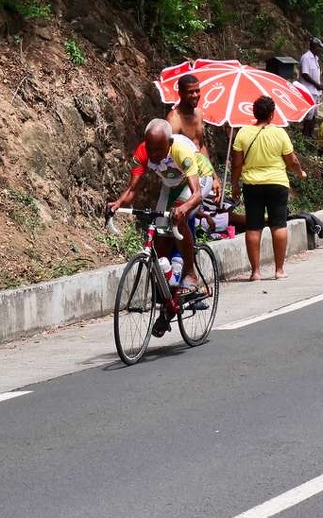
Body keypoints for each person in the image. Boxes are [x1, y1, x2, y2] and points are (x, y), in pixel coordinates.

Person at [108, 120, 214, 333]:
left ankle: (190, 273)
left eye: (159, 149)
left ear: (169, 142)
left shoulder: (181, 150)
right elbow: (133, 188)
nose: (154, 154)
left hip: (199, 180)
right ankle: (169, 305)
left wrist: (184, 209)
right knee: (160, 239)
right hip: (172, 184)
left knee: (177, 215)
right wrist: (117, 204)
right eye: (150, 148)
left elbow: (195, 195)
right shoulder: (143, 152)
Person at [231, 96, 306, 281]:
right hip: (277, 183)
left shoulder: (243, 133)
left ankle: (255, 272)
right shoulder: (280, 133)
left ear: (254, 113)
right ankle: (279, 270)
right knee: (278, 225)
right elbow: (292, 161)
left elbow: (237, 164)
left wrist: (234, 184)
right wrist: (300, 173)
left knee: (253, 227)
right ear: (272, 114)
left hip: (252, 184)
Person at [166, 73, 222, 204]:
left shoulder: (198, 113)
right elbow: (168, 156)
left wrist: (214, 177)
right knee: (181, 215)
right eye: (190, 92)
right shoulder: (174, 119)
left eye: (197, 90)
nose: (196, 95)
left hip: (202, 172)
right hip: (184, 177)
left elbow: (200, 147)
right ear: (180, 93)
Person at [298, 36, 323, 137]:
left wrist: (318, 85)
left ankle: (310, 134)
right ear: (314, 47)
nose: (320, 50)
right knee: (308, 115)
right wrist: (317, 84)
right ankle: (305, 135)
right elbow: (305, 74)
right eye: (319, 47)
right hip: (308, 90)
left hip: (315, 91)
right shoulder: (306, 58)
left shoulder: (316, 58)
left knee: (314, 114)